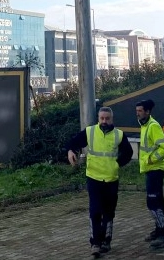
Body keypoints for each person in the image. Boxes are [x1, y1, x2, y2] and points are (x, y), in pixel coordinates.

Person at [66, 106, 133, 258]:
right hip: (94, 178)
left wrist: (117, 163)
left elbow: (128, 153)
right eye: (101, 118)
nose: (104, 121)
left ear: (111, 119)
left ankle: (106, 241)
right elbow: (73, 142)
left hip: (111, 179)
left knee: (108, 211)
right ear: (98, 118)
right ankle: (95, 243)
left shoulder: (119, 135)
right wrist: (70, 151)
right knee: (95, 211)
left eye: (107, 118)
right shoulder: (90, 132)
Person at [136, 99, 164, 249]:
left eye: (140, 111)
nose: (137, 113)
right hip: (150, 170)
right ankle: (159, 230)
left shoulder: (152, 126)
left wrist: (151, 159)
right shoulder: (145, 125)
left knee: (153, 203)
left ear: (147, 112)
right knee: (157, 202)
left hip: (155, 170)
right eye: (137, 111)